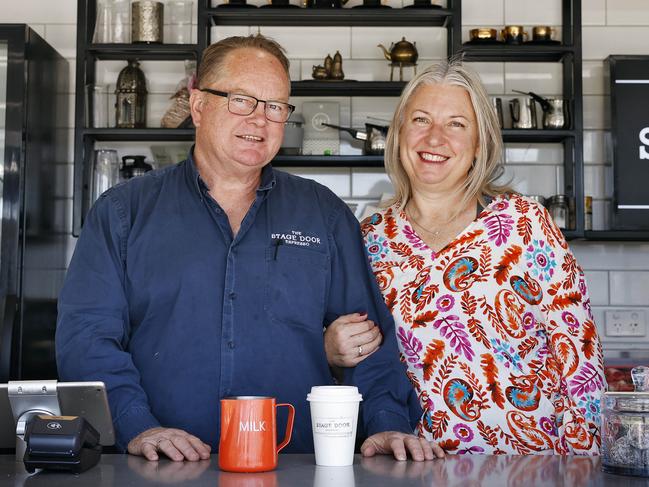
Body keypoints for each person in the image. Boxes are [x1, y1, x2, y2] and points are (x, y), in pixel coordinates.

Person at [56, 34, 445, 463]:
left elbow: (367, 341)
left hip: (296, 465)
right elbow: (86, 339)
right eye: (242, 100)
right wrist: (138, 425)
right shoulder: (122, 214)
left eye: (275, 106)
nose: (260, 120)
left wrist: (388, 422)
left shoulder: (324, 214)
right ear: (199, 104)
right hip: (160, 467)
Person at [324, 59, 605, 455]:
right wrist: (332, 353)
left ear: (479, 143)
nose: (435, 138)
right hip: (412, 470)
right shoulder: (369, 240)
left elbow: (579, 358)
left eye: (456, 124)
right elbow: (359, 364)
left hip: (530, 469)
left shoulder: (525, 223)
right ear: (400, 133)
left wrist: (583, 466)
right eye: (420, 119)